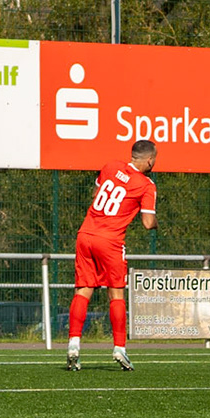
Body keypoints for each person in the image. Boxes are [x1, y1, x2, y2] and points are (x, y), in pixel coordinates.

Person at [66, 139, 157, 372]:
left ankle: (73, 345)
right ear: (149, 160)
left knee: (83, 289)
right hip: (110, 241)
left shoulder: (111, 166)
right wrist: (157, 223)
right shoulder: (146, 185)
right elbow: (148, 223)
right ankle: (119, 348)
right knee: (116, 293)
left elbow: (97, 193)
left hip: (85, 233)